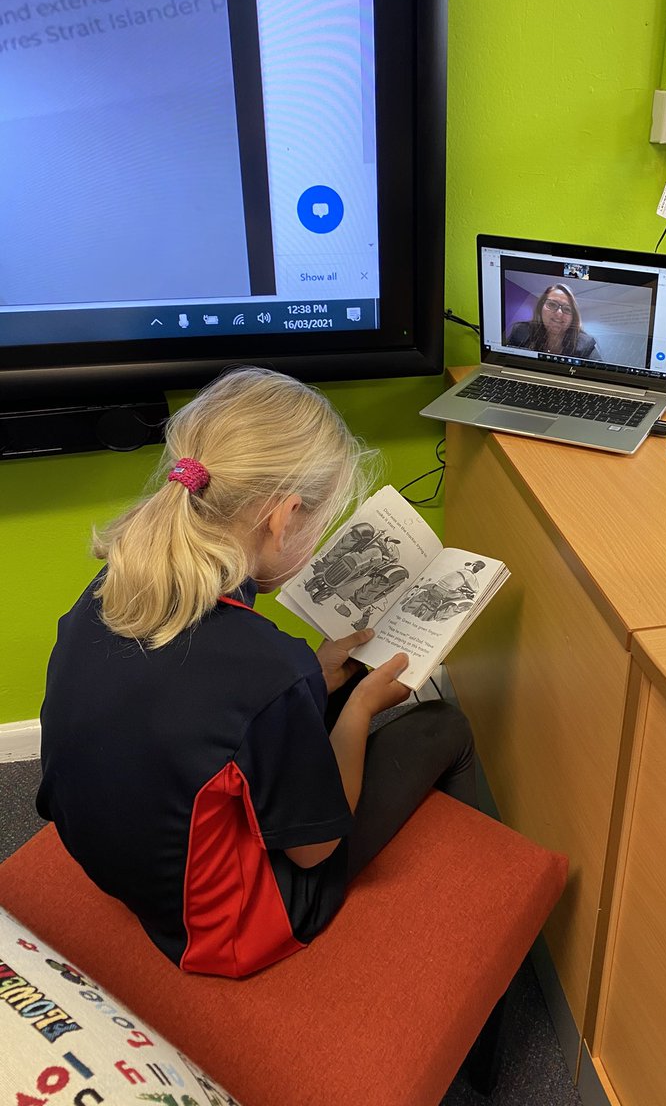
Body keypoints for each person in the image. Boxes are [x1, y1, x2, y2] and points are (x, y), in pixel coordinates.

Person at [36, 367, 476, 978]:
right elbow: (315, 847)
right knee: (440, 726)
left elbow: (195, 706)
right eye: (320, 523)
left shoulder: (108, 590)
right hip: (223, 929)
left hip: (116, 863)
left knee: (307, 707)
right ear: (284, 515)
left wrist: (312, 678)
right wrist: (359, 710)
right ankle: (470, 913)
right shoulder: (270, 666)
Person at [505, 283, 600, 360]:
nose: (559, 313)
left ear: (573, 318)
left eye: (567, 309)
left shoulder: (585, 344)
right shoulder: (521, 331)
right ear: (540, 307)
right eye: (552, 304)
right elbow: (504, 360)